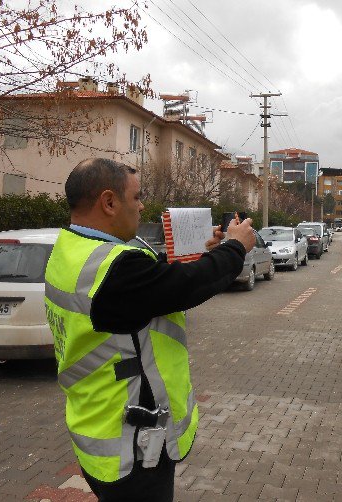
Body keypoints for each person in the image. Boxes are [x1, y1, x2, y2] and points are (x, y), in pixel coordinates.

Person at [44, 158, 255, 502]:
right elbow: (183, 286)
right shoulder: (115, 268)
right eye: (137, 197)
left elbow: (156, 285)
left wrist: (207, 253)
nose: (142, 206)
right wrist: (235, 247)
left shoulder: (72, 249)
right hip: (134, 445)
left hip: (96, 422)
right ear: (109, 202)